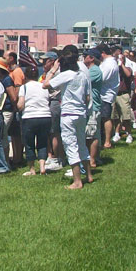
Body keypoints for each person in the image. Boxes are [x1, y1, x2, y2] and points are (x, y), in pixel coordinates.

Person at [44, 44, 91, 189]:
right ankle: (89, 175)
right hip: (81, 113)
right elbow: (88, 97)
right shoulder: (82, 75)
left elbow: (45, 84)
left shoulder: (66, 74)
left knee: (71, 145)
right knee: (82, 144)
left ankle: (77, 181)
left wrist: (53, 69)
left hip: (68, 113)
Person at [17, 64, 52, 175]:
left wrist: (18, 107)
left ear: (26, 76)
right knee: (42, 143)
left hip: (29, 117)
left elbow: (20, 105)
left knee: (29, 143)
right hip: (45, 116)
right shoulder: (43, 86)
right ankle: (42, 167)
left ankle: (32, 169)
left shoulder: (24, 87)